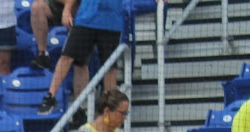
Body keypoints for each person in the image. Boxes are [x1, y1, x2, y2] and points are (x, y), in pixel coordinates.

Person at [36, 0, 164, 121]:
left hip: (110, 23)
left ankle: (111, 109)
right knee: (67, 57)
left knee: (109, 68)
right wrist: (67, 9)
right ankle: (50, 97)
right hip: (85, 19)